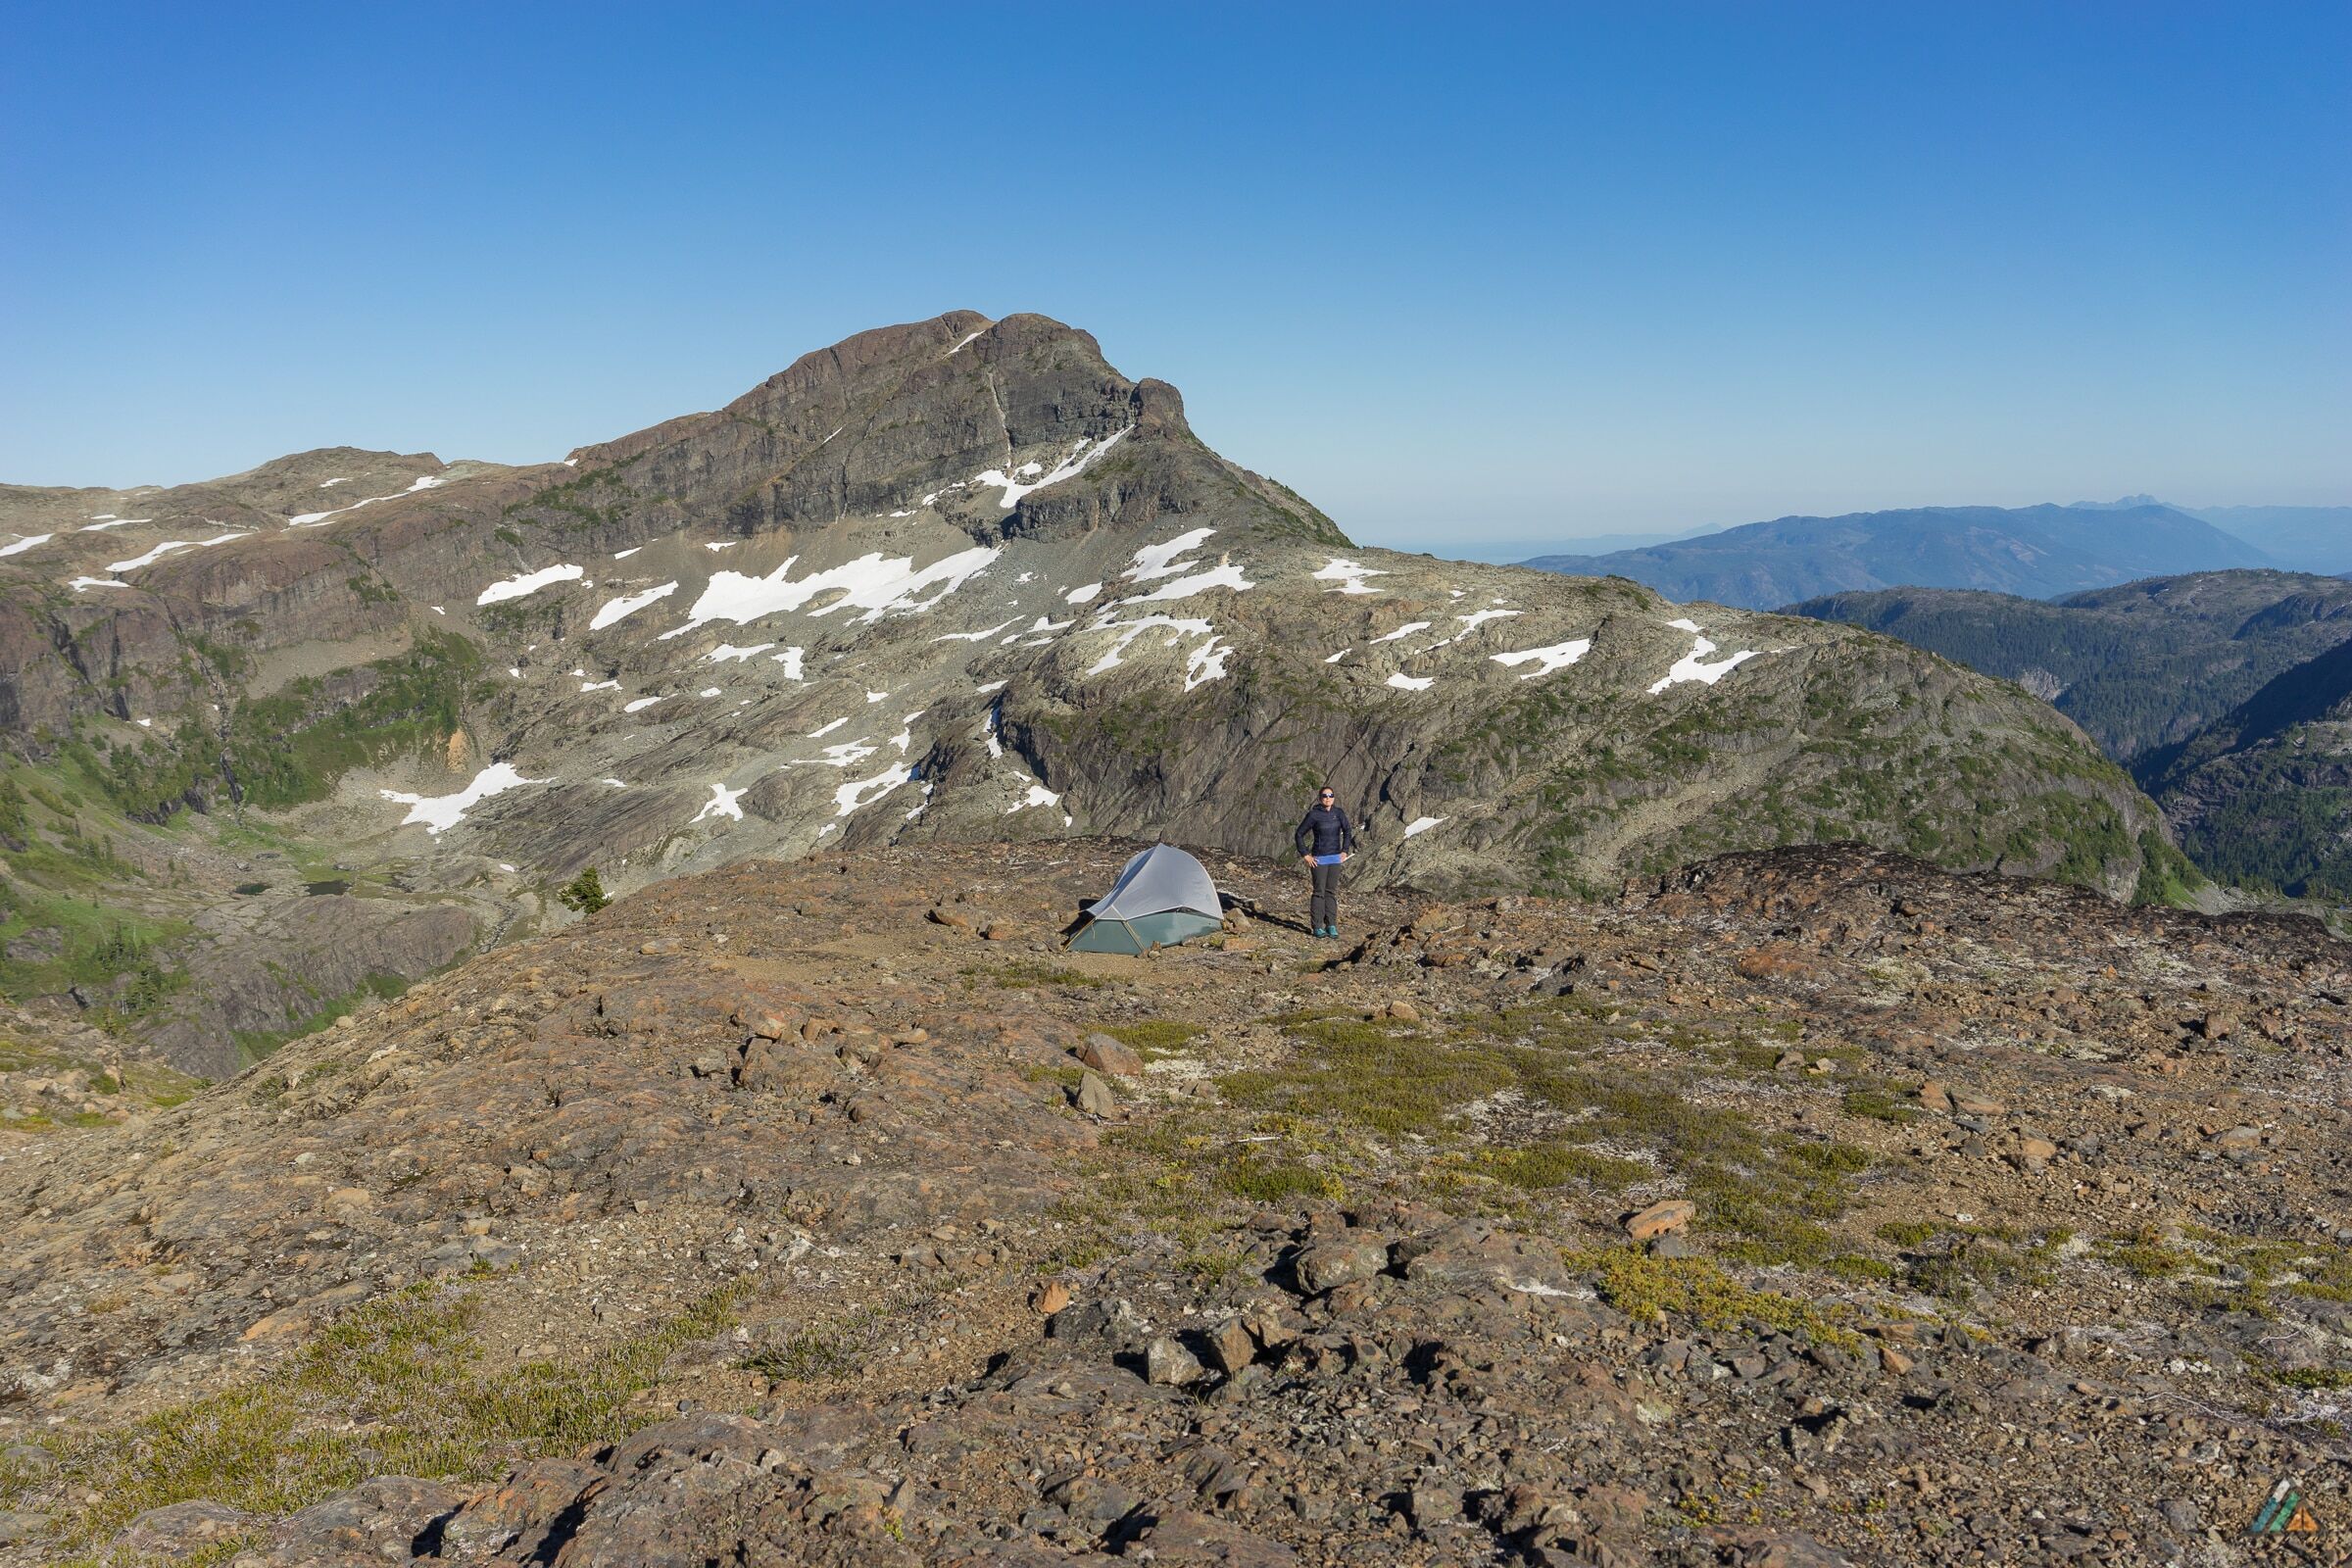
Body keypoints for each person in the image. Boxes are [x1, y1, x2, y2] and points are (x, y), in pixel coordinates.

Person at [1293, 786, 1356, 938]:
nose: (1327, 798)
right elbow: (1299, 834)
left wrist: (1345, 850)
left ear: (1334, 797)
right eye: (1324, 796)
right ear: (1320, 798)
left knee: (1330, 892)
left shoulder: (1338, 813)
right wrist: (1306, 855)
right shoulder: (1314, 815)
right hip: (1319, 859)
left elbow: (1347, 830)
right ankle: (1317, 927)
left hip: (1335, 858)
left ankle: (1331, 925)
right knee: (1319, 892)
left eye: (1330, 795)